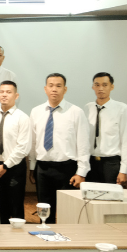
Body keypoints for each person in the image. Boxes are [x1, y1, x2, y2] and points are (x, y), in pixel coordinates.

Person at [29, 73, 90, 219]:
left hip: (66, 169)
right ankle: (45, 232)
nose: (54, 89)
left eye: (58, 86)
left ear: (65, 89)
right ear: (45, 89)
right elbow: (33, 142)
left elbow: (83, 144)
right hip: (42, 168)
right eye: (51, 86)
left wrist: (81, 172)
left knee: (67, 213)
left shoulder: (76, 112)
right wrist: (32, 167)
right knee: (44, 212)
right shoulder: (36, 112)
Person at [0, 80, 32, 222]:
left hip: (14, 167)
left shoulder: (22, 118)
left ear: (16, 96)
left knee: (15, 206)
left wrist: (5, 166)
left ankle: (17, 235)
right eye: (2, 92)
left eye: (9, 92)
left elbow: (23, 147)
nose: (4, 95)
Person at [85, 71, 127, 185]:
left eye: (105, 85)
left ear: (111, 87)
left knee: (111, 195)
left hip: (111, 163)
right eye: (97, 85)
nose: (100, 88)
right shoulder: (87, 108)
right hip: (91, 162)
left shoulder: (121, 108)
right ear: (93, 87)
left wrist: (123, 170)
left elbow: (126, 141)